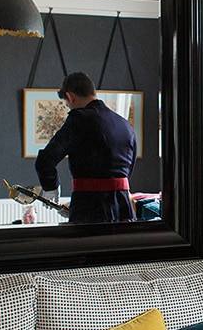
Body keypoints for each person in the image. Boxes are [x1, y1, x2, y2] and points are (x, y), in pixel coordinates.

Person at [35, 71, 137, 224]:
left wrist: (51, 187)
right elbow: (128, 171)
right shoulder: (125, 125)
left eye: (67, 104)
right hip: (123, 208)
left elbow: (45, 160)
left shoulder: (78, 119)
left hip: (89, 208)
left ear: (70, 97)